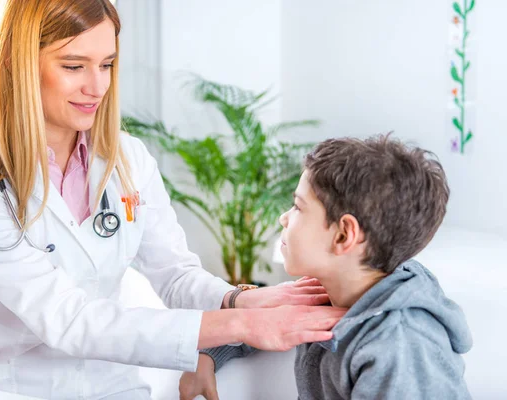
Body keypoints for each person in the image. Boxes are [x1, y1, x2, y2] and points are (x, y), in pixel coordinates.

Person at [0, 1, 346, 399]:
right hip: (11, 388)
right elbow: (69, 321)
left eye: (107, 64)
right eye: (73, 66)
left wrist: (240, 299)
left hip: (112, 386)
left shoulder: (128, 159)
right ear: (16, 65)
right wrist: (240, 324)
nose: (97, 86)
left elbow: (175, 276)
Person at [179, 135, 473, 400]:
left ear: (344, 235)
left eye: (297, 207)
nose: (284, 218)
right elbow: (267, 327)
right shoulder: (332, 288)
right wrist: (207, 356)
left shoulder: (400, 349)